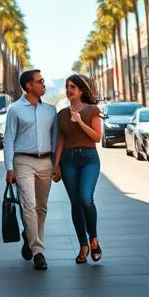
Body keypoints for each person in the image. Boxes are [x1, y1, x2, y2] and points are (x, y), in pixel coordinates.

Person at [3, 68, 57, 271]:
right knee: (29, 205)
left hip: (45, 163)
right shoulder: (15, 110)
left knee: (41, 207)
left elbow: (54, 138)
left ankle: (30, 236)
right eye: (40, 81)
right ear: (28, 86)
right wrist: (9, 168)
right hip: (23, 161)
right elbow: (8, 139)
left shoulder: (50, 110)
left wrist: (56, 164)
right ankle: (38, 251)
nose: (43, 84)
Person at [53, 74, 103, 264]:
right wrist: (56, 164)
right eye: (67, 86)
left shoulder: (92, 110)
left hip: (89, 159)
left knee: (85, 198)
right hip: (68, 161)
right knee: (75, 204)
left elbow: (97, 137)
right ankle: (83, 245)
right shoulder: (62, 115)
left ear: (81, 90)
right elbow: (61, 140)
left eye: (73, 86)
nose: (69, 90)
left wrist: (80, 121)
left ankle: (94, 239)